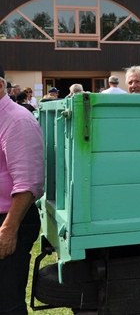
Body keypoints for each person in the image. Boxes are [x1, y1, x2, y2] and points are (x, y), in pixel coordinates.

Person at [0, 63, 45, 315]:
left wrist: (8, 230)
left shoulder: (17, 120)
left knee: (7, 304)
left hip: (9, 220)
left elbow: (28, 183)